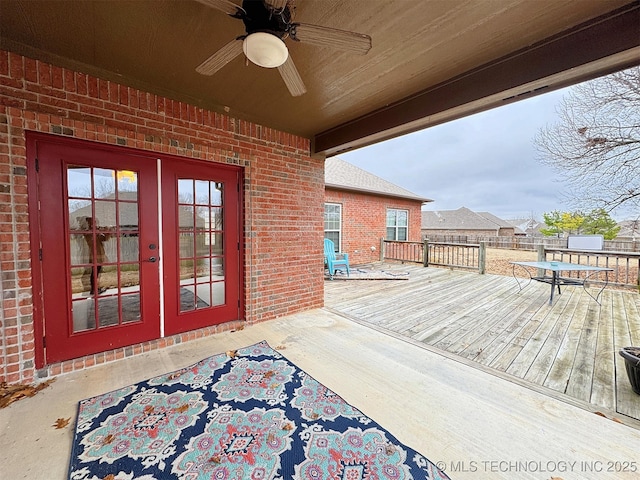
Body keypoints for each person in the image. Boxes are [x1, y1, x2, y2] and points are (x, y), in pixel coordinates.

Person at [79, 216, 110, 295]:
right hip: (95, 255)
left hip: (99, 255)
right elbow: (93, 238)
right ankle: (94, 289)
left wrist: (107, 231)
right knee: (94, 273)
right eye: (93, 222)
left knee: (96, 273)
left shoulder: (95, 232)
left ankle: (96, 288)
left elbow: (104, 239)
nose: (95, 224)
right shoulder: (89, 233)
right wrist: (98, 231)